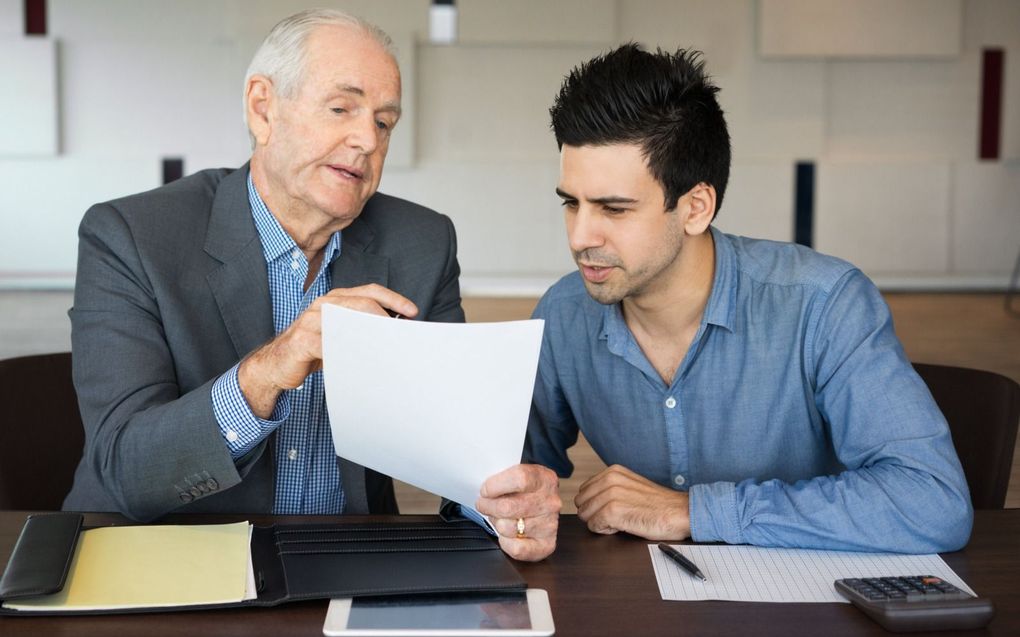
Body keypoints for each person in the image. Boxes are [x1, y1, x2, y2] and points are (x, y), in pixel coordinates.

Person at [64, 8, 558, 562]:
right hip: (167, 553)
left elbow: (459, 455)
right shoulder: (131, 236)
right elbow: (126, 469)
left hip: (350, 560)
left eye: (384, 121)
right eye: (341, 108)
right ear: (262, 108)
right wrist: (272, 367)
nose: (367, 140)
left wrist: (500, 506)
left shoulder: (422, 241)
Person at [523, 43, 973, 553]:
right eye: (571, 204)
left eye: (614, 209)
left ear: (696, 207)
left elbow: (932, 502)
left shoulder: (824, 305)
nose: (580, 236)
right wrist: (506, 507)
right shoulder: (563, 314)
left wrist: (694, 511)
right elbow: (501, 475)